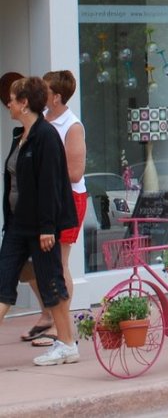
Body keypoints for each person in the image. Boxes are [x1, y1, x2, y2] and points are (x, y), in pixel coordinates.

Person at [0, 75, 78, 365]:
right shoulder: (20, 136)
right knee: (3, 282)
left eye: (12, 99)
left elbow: (49, 185)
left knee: (51, 283)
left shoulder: (46, 136)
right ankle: (66, 344)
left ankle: (67, 344)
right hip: (17, 226)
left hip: (40, 228)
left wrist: (48, 228)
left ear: (24, 103)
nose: (8, 104)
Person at [19, 70, 86, 347]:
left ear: (56, 97)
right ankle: (48, 313)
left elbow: (76, 172)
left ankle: (61, 328)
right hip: (42, 200)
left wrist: (43, 172)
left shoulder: (72, 126)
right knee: (28, 265)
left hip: (68, 200)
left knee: (59, 263)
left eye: (44, 90)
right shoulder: (40, 120)